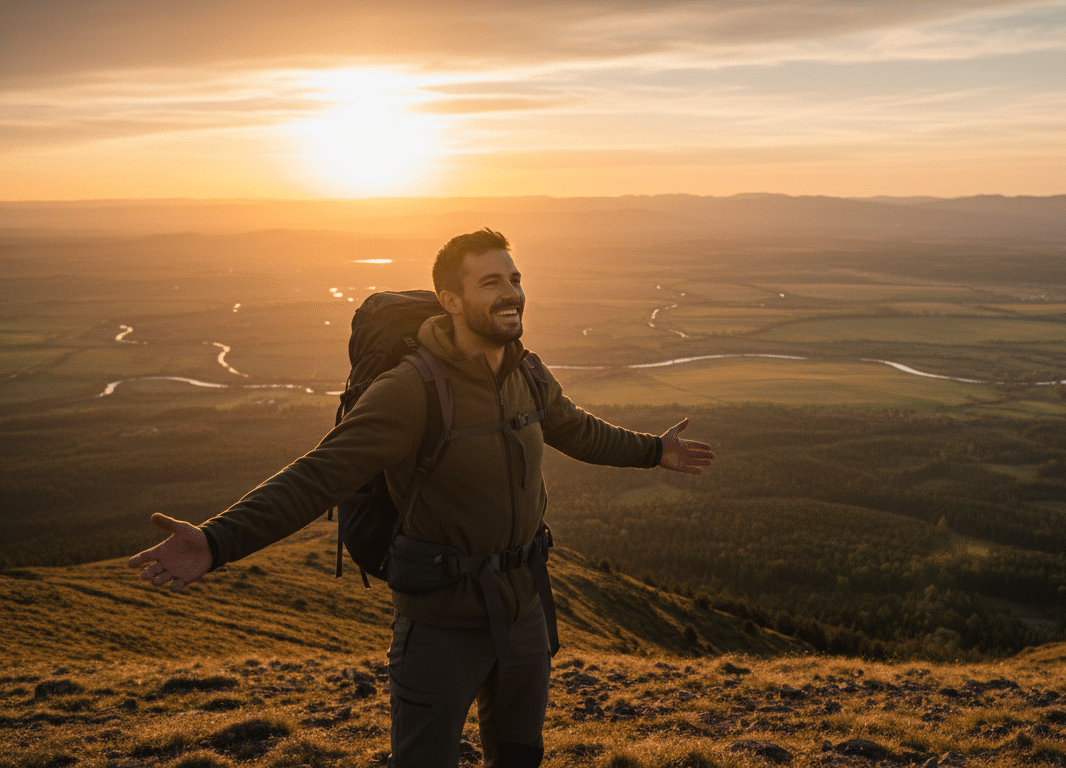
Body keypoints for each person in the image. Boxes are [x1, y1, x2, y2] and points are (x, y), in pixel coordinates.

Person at [128, 228, 714, 768]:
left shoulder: (526, 372)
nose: (512, 293)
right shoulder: (411, 389)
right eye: (491, 282)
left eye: (515, 279)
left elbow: (578, 430)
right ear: (450, 301)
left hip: (523, 610)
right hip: (439, 623)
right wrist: (217, 541)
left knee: (519, 758)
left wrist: (652, 452)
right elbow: (318, 475)